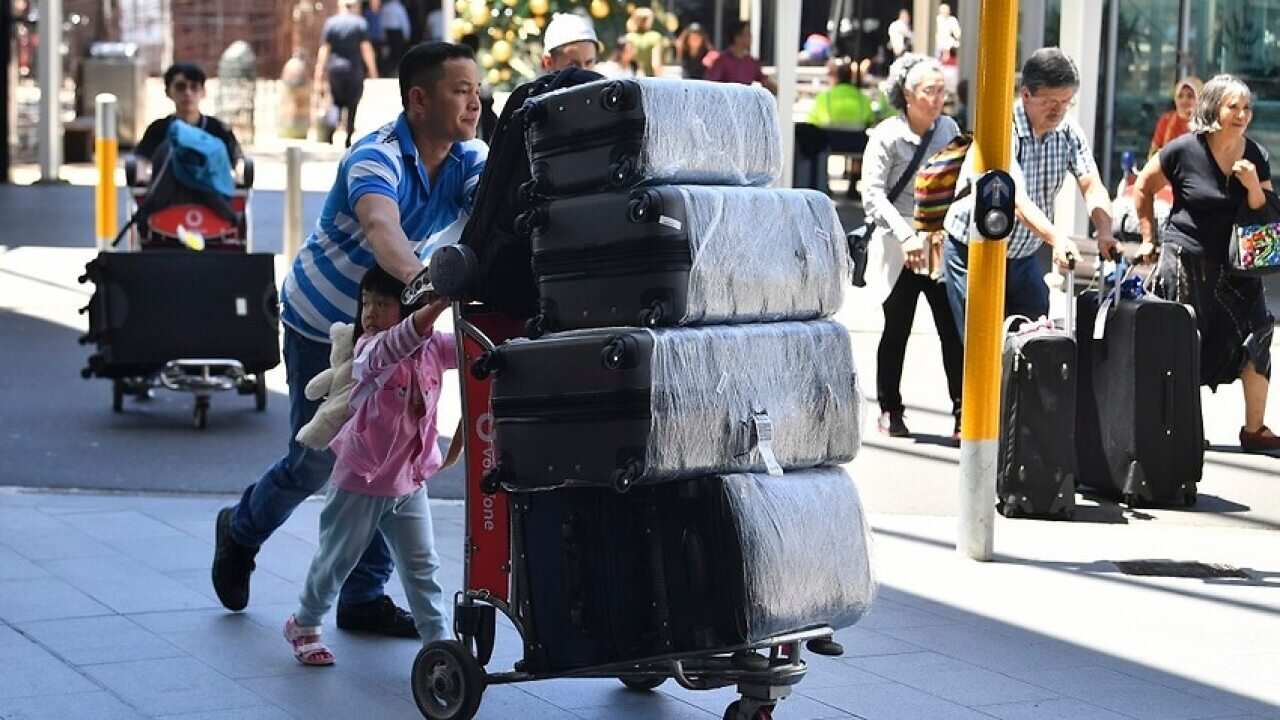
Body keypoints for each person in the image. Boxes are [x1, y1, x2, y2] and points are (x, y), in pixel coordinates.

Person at [212, 42, 485, 637]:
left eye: (477, 88)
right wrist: (421, 286)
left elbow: (494, 210)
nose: (475, 100)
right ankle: (240, 530)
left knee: (398, 449)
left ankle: (362, 599)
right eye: (461, 89)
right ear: (418, 99)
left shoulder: (467, 158)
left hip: (394, 326)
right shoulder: (376, 155)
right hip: (326, 322)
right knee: (317, 460)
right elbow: (381, 226)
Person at [284, 269, 456, 665]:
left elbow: (469, 345)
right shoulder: (370, 350)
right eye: (366, 303)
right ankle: (304, 624)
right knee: (336, 561)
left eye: (382, 304)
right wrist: (437, 305)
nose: (371, 313)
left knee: (422, 566)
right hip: (360, 478)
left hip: (408, 480)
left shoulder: (432, 348)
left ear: (406, 306)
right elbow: (394, 345)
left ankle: (437, 643)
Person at [1134, 74, 1279, 454]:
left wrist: (1251, 185)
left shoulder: (1256, 156)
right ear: (1214, 107)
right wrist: (1148, 237)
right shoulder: (1183, 150)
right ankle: (1184, 427)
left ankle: (1255, 429)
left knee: (1259, 332)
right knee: (1185, 340)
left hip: (1237, 267)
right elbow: (1143, 188)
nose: (1242, 114)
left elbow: (1265, 214)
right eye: (1234, 106)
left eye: (1247, 108)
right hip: (1187, 262)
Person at [942, 48, 1117, 330]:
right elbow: (1016, 202)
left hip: (1023, 256)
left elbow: (1091, 184)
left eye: (1066, 102)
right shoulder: (1001, 129)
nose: (1058, 110)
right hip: (976, 252)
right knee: (981, 348)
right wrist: (1057, 238)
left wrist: (1105, 231)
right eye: (1049, 101)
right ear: (1026, 95)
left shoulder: (1068, 131)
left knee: (1035, 343)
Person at [861, 54, 963, 438]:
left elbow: (960, 182)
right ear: (908, 94)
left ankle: (963, 413)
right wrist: (906, 236)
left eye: (942, 91)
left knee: (952, 331)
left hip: (938, 245)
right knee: (896, 329)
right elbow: (871, 194)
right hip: (897, 247)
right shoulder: (887, 135)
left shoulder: (949, 129)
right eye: (929, 91)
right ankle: (890, 409)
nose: (937, 99)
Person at [134, 62, 241, 166]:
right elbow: (141, 161)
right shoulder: (158, 129)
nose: (188, 93)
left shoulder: (219, 129)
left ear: (203, 92)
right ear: (168, 92)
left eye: (194, 87)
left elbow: (238, 162)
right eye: (180, 87)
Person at [314, 0, 379, 148]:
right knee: (352, 103)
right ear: (355, 6)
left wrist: (319, 69)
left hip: (335, 68)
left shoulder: (331, 23)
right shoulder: (360, 23)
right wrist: (373, 70)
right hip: (354, 69)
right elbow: (366, 48)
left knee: (336, 102)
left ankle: (332, 131)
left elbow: (325, 49)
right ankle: (348, 135)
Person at [706, 21, 776, 94]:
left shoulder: (751, 62)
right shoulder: (721, 61)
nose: (751, 37)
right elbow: (711, 86)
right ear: (737, 37)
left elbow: (765, 81)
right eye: (747, 34)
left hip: (745, 103)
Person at [807, 59, 875, 129]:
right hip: (856, 139)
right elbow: (870, 121)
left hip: (828, 139)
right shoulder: (863, 99)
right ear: (851, 78)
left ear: (836, 77)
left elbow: (811, 123)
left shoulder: (823, 98)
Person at [1149, 76, 1203, 158]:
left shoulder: (1206, 122)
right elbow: (1154, 153)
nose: (1184, 101)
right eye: (1180, 96)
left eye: (1190, 96)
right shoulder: (1166, 120)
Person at [625, 7, 664, 78]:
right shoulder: (655, 37)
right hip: (649, 78)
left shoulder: (629, 37)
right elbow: (655, 63)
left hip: (633, 78)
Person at [380, 0, 413, 75]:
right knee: (397, 53)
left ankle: (389, 71)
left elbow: (381, 22)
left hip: (388, 32)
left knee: (389, 53)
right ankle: (395, 71)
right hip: (397, 33)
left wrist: (382, 34)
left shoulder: (385, 7)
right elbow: (404, 22)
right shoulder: (399, 7)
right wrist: (406, 35)